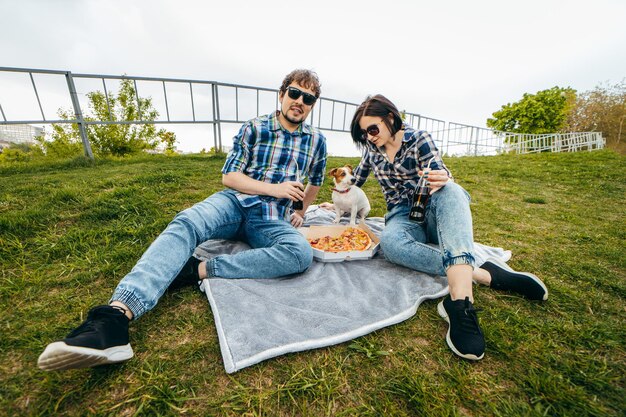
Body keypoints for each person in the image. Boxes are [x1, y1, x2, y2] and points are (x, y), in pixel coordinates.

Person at [38, 69, 327, 371]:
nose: (299, 101)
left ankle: (196, 269)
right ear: (281, 95)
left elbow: (316, 180)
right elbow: (230, 177)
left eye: (308, 98)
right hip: (234, 204)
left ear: (312, 104)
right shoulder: (254, 128)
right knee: (187, 221)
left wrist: (301, 211)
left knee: (300, 254)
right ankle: (113, 320)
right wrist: (274, 189)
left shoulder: (316, 141)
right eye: (294, 93)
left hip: (271, 218)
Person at [346, 94, 548, 361]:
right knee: (391, 246)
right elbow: (356, 178)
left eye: (372, 129)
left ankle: (460, 301)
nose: (369, 137)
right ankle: (483, 274)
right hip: (402, 217)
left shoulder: (419, 139)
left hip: (432, 209)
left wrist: (445, 177)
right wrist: (334, 198)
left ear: (390, 118)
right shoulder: (372, 151)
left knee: (452, 190)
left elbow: (439, 171)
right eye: (364, 133)